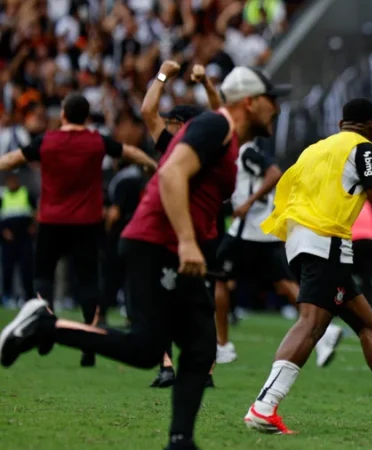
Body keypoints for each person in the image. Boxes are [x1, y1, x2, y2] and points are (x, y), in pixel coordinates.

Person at [0, 66, 289, 450]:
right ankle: (43, 326)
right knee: (146, 348)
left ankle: (180, 441)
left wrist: (206, 84)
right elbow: (171, 175)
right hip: (158, 244)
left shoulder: (225, 133)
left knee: (201, 347)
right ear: (249, 102)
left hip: (169, 246)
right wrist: (186, 241)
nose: (277, 108)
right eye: (272, 100)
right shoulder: (214, 127)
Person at [243, 98, 372, 434]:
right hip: (326, 241)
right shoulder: (365, 150)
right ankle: (264, 406)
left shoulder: (315, 149)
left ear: (341, 123)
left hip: (297, 240)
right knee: (312, 323)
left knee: (369, 327)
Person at [0, 93, 157, 368]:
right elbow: (129, 152)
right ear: (85, 116)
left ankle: (45, 326)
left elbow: (13, 159)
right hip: (87, 223)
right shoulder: (96, 141)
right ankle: (89, 344)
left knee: (43, 277)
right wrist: (152, 165)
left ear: (63, 114)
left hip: (51, 221)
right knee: (88, 283)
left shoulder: (47, 141)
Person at [213, 135, 344, 368]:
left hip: (248, 230)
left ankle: (222, 345)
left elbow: (274, 173)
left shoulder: (247, 152)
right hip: (265, 231)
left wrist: (248, 203)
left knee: (219, 279)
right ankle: (325, 331)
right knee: (284, 284)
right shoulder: (241, 154)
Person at [140, 60, 222, 388]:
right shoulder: (216, 150)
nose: (166, 126)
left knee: (161, 298)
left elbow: (147, 110)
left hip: (174, 235)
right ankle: (205, 372)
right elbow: (221, 115)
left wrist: (163, 74)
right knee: (203, 305)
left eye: (171, 122)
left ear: (180, 125)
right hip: (207, 234)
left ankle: (166, 366)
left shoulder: (174, 148)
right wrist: (206, 84)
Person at [0, 170, 36, 306]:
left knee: (26, 269)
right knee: (7, 269)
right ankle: (7, 296)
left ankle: (28, 296)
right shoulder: (3, 196)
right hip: (8, 240)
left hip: (24, 238)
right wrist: (3, 231)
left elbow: (36, 211)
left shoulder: (26, 193)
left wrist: (33, 226)